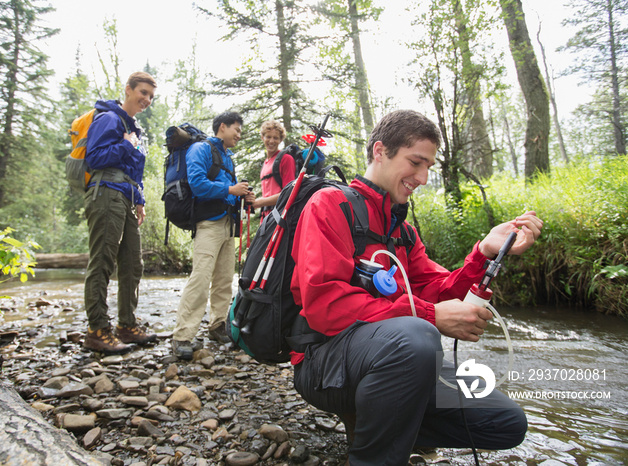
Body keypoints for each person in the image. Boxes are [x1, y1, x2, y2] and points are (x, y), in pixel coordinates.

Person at [290, 110, 544, 465]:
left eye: (429, 167)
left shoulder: (403, 233)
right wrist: (428, 315)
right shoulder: (329, 206)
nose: (423, 178)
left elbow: (442, 291)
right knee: (417, 336)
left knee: (505, 423)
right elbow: (324, 305)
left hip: (394, 360)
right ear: (380, 151)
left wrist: (485, 251)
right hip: (324, 364)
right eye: (416, 162)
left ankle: (378, 424)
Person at [82, 71, 158, 355]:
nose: (146, 99)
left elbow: (132, 170)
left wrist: (139, 199)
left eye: (150, 96)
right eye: (142, 93)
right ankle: (97, 330)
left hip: (125, 197)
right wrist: (126, 144)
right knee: (102, 260)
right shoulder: (109, 119)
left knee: (132, 263)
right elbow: (95, 157)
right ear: (128, 90)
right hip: (105, 194)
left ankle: (126, 325)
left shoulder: (133, 127)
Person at [172, 111, 256, 360]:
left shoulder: (227, 158)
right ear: (222, 127)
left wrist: (243, 195)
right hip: (208, 223)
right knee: (200, 277)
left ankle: (218, 324)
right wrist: (231, 188)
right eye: (236, 130)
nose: (239, 135)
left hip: (227, 224)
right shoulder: (201, 149)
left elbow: (228, 191)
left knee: (223, 278)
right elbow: (197, 183)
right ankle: (183, 336)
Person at [251, 120, 296, 221]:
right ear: (262, 138)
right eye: (268, 137)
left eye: (275, 138)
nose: (271, 141)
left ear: (280, 140)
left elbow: (289, 193)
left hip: (280, 217)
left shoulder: (286, 159)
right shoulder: (266, 163)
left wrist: (259, 202)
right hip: (266, 219)